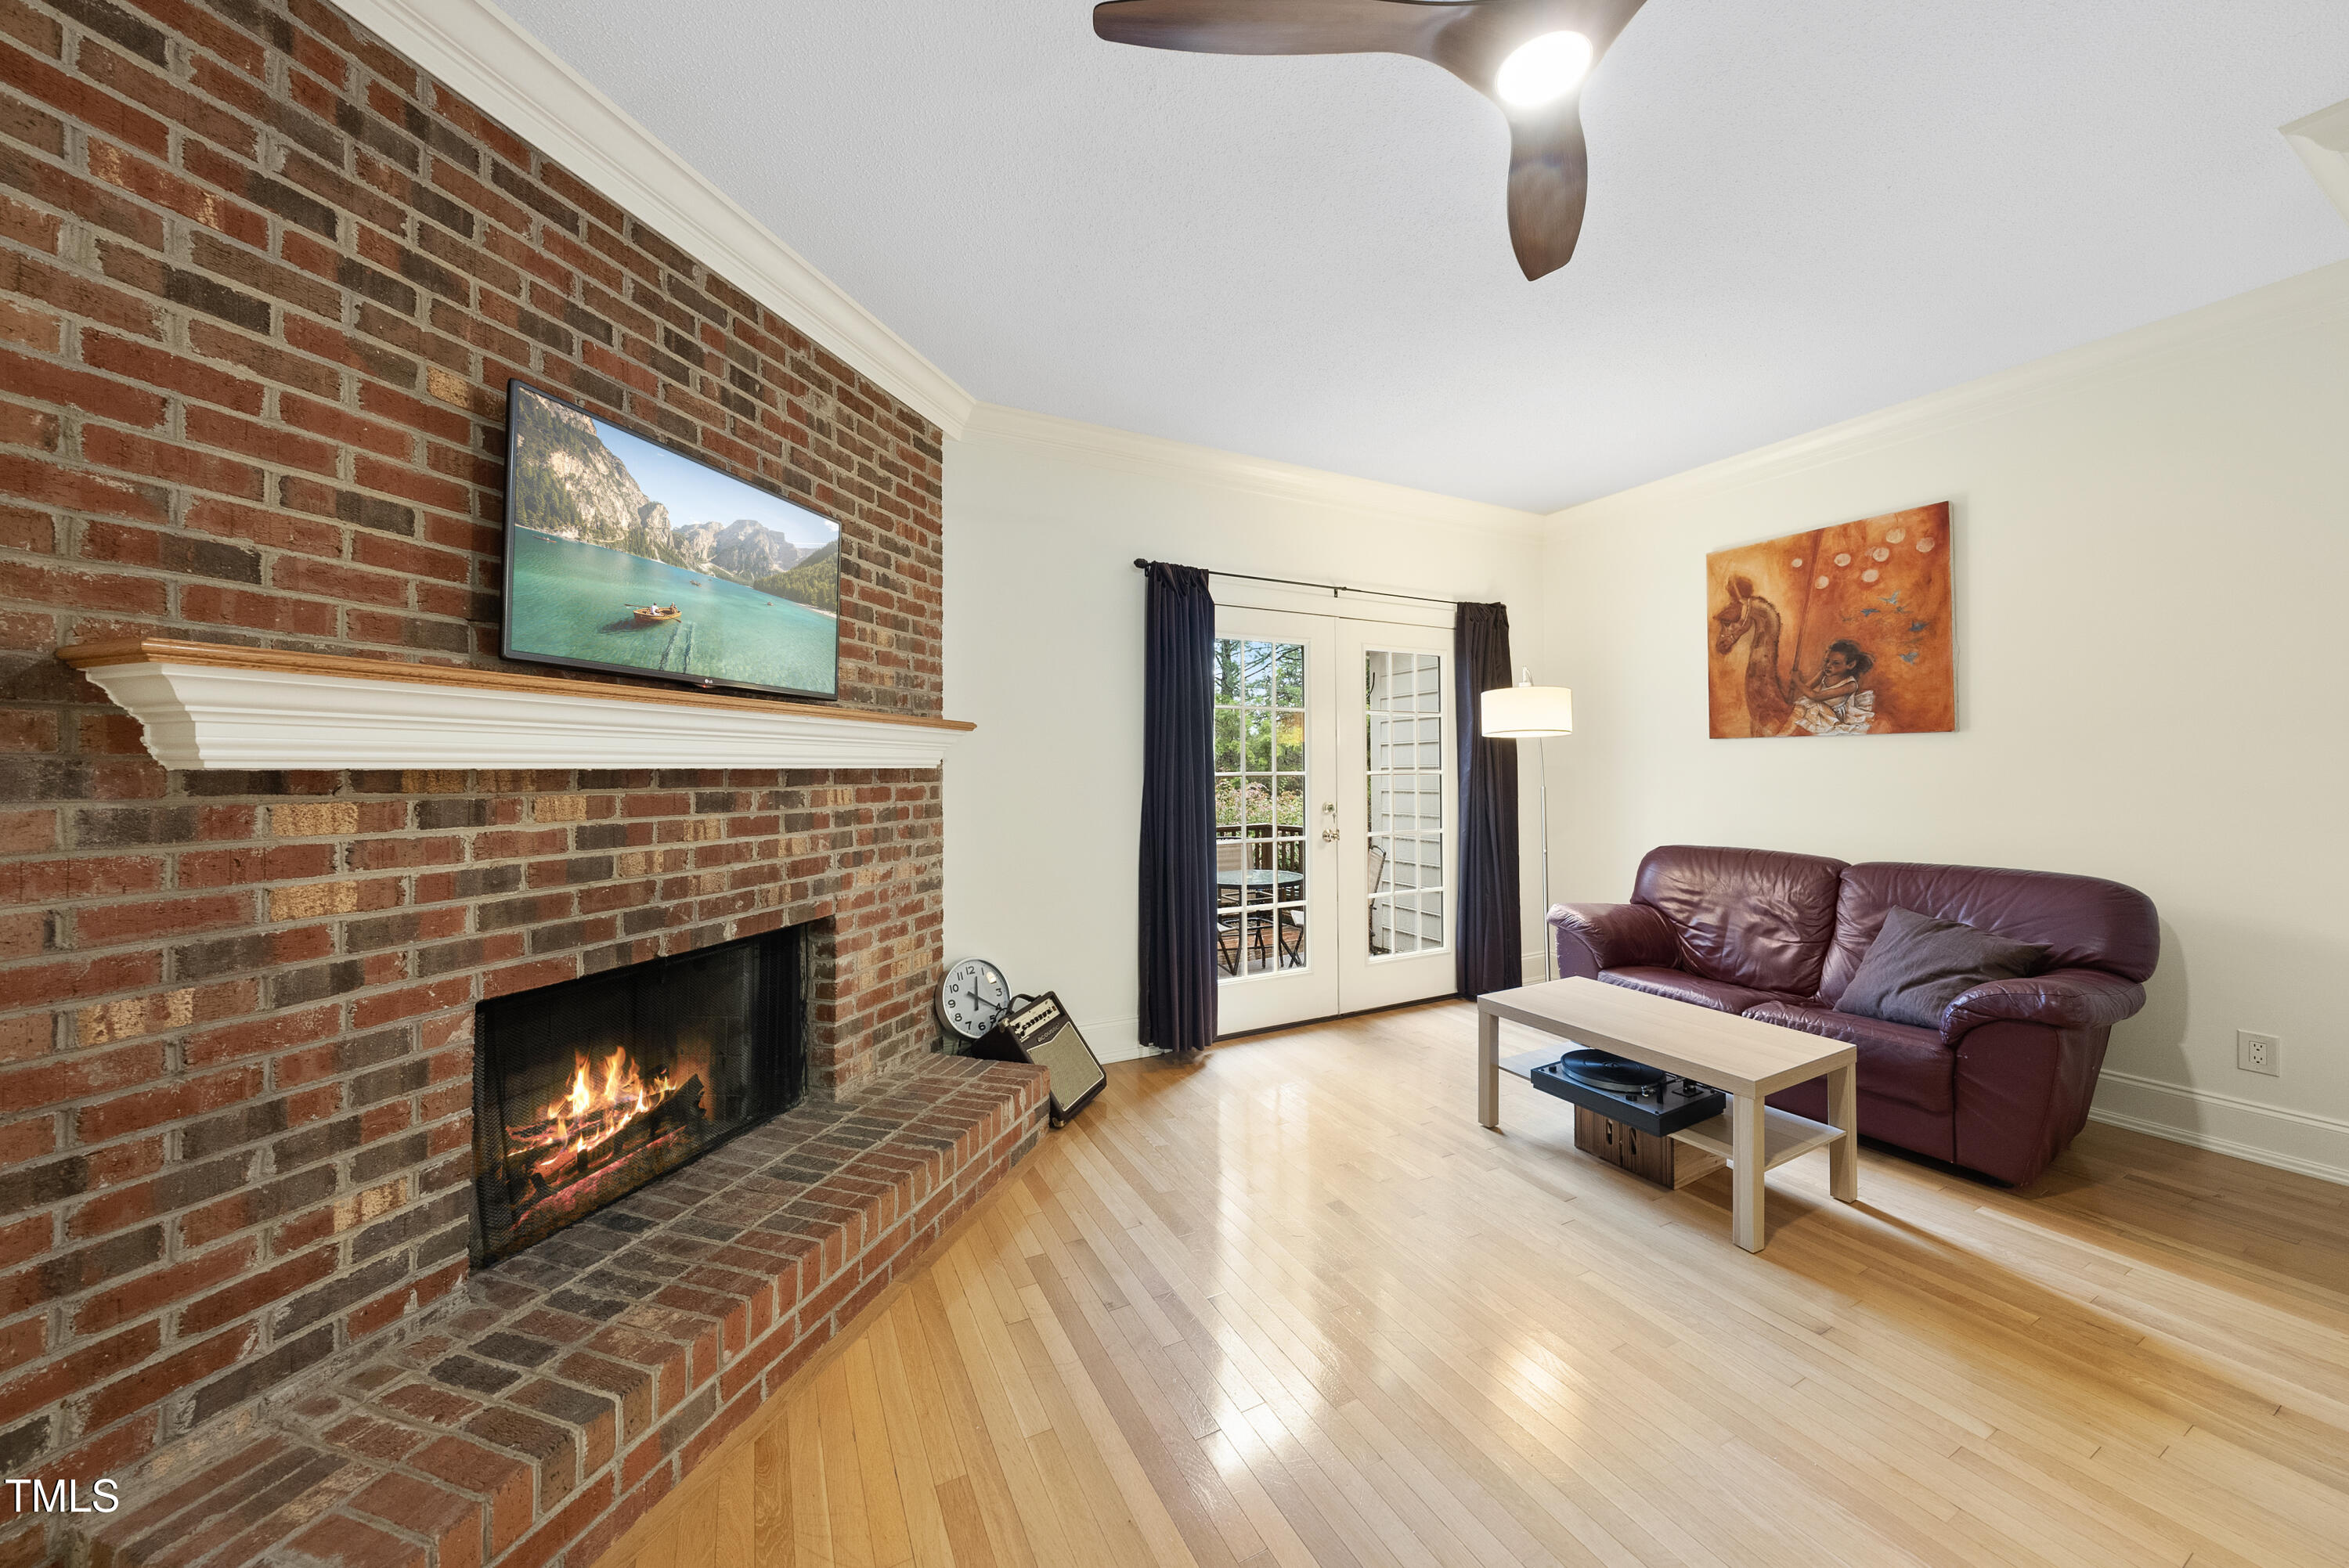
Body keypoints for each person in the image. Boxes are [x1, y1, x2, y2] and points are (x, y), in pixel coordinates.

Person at [1786, 639, 1877, 735]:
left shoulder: (1851, 685)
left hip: (1834, 714)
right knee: (1804, 705)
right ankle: (1785, 734)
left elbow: (1816, 696)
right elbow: (1808, 688)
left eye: (1836, 663)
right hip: (1821, 707)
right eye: (1826, 661)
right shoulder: (1824, 672)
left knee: (1812, 705)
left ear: (1850, 665)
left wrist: (1797, 681)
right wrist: (1798, 684)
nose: (1828, 665)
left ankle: (1786, 734)